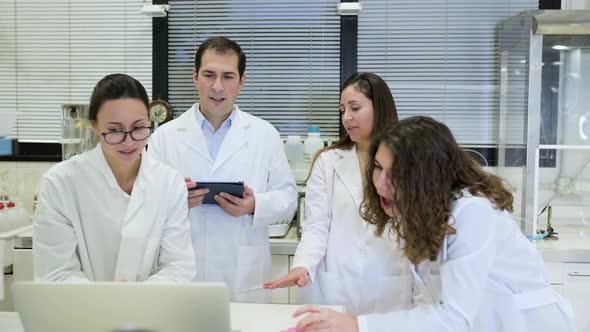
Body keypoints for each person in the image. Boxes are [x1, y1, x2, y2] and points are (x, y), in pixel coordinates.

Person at [292, 116, 576, 332]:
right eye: (378, 167)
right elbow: (428, 299)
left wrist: (357, 325)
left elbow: (454, 317)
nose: (380, 183)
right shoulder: (422, 211)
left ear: (427, 177)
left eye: (397, 174)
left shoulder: (472, 212)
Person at [148, 36, 298, 302]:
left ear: (241, 82)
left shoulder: (265, 134)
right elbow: (144, 202)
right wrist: (174, 197)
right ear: (195, 77)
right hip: (183, 274)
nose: (217, 86)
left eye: (228, 76)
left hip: (243, 276)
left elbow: (288, 198)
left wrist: (254, 205)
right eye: (209, 75)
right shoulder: (164, 137)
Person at [264, 73, 413, 314]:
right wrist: (303, 265)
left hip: (390, 283)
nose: (347, 118)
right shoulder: (328, 161)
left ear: (380, 107)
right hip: (337, 285)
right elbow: (316, 226)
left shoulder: (409, 160)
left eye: (355, 108)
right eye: (343, 110)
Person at [34, 74, 196, 282]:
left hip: (150, 311)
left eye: (138, 128)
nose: (128, 142)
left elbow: (178, 266)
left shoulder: (169, 183)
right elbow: (56, 273)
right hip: (82, 312)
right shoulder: (60, 184)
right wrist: (108, 304)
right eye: (114, 131)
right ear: (95, 126)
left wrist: (135, 300)